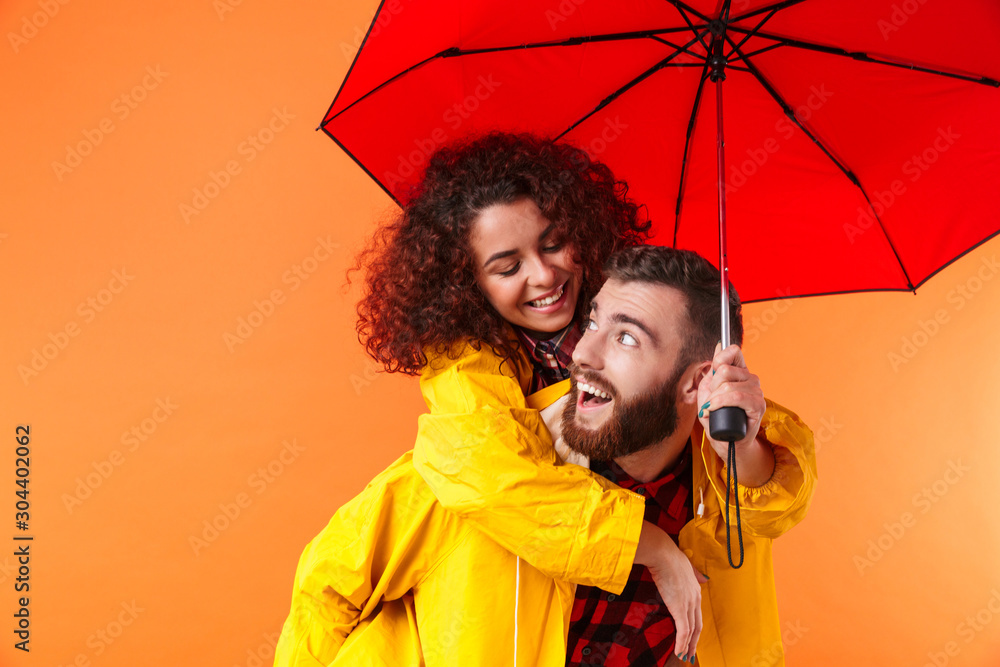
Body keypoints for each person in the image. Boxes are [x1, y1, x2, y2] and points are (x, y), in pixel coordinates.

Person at [273, 133, 813, 665]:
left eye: (553, 244)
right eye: (507, 268)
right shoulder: (467, 433)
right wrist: (647, 547)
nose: (544, 274)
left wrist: (736, 431)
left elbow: (764, 500)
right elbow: (486, 474)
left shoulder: (673, 402)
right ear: (469, 287)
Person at [544, 245, 816, 666]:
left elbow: (774, 501)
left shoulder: (717, 485)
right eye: (592, 322)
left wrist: (741, 444)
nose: (582, 353)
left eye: (627, 337)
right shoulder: (514, 456)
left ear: (697, 381)